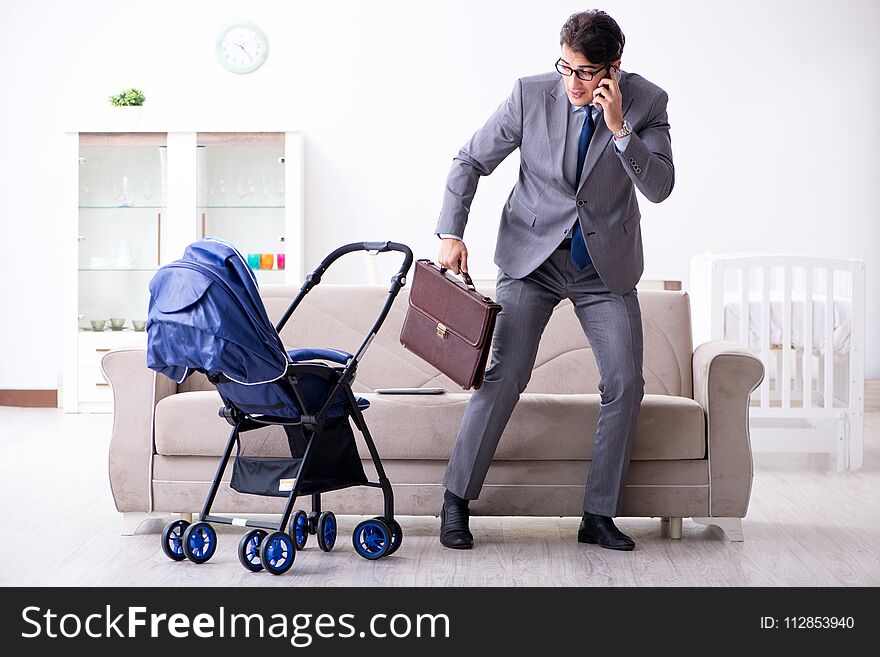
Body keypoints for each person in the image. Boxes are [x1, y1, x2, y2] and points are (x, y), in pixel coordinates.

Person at [434, 9, 674, 551]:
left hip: (602, 267)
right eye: (564, 67)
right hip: (531, 258)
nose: (571, 83)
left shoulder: (647, 103)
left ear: (613, 69)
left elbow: (659, 187)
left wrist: (619, 130)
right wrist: (451, 232)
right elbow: (469, 160)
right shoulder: (529, 94)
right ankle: (455, 499)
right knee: (504, 374)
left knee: (625, 383)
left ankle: (598, 514)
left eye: (585, 73)